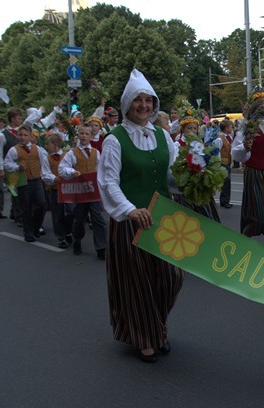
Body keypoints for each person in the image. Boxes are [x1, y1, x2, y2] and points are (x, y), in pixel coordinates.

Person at [99, 68, 183, 363]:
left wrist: (193, 179)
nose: (144, 105)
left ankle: (156, 326)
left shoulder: (162, 135)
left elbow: (173, 173)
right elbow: (109, 181)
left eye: (148, 100)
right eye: (138, 100)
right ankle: (145, 337)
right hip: (131, 221)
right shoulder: (114, 139)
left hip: (164, 218)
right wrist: (129, 209)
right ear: (127, 104)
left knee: (170, 277)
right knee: (139, 283)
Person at [231, 87, 264, 250]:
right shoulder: (248, 125)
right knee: (256, 216)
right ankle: (242, 247)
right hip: (255, 171)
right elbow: (236, 153)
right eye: (260, 103)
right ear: (254, 106)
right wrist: (245, 147)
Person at [58, 123, 107, 259]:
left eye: (86, 134)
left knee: (98, 218)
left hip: (93, 191)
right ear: (78, 135)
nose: (84, 136)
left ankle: (101, 248)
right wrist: (72, 171)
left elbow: (101, 169)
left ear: (91, 136)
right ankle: (77, 240)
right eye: (81, 133)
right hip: (79, 192)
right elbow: (62, 168)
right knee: (79, 220)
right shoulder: (72, 153)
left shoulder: (96, 153)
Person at [3, 124, 53, 242]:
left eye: (25, 135)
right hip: (23, 182)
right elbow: (6, 164)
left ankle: (36, 226)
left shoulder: (38, 149)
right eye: (20, 135)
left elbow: (44, 163)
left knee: (42, 204)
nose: (22, 137)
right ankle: (28, 232)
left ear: (31, 136)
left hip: (36, 181)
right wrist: (16, 167)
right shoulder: (14, 150)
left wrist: (45, 179)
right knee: (25, 208)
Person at [43, 132, 74, 249]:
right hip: (56, 189)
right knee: (57, 213)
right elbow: (45, 174)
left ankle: (68, 231)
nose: (46, 146)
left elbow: (72, 167)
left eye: (48, 144)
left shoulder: (67, 155)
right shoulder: (47, 159)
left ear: (55, 144)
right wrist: (54, 178)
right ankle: (61, 237)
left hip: (68, 188)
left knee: (71, 210)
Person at [217, 119, 234, 209]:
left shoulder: (229, 137)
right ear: (226, 128)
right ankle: (224, 201)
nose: (232, 128)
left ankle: (226, 200)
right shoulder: (220, 139)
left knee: (227, 182)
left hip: (227, 162)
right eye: (231, 127)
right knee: (226, 182)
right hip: (222, 163)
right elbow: (217, 151)